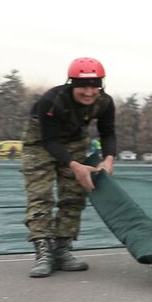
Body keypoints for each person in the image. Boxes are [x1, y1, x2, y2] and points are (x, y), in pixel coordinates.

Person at [20, 57, 116, 278]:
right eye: (82, 86)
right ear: (71, 83)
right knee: (40, 196)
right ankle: (43, 253)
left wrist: (108, 158)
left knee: (74, 195)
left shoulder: (105, 102)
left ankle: (62, 249)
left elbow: (108, 132)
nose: (89, 92)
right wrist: (75, 165)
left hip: (74, 142)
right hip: (41, 143)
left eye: (94, 86)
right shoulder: (52, 101)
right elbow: (50, 141)